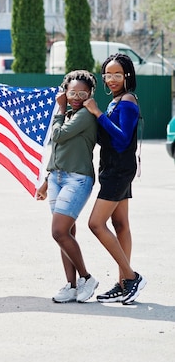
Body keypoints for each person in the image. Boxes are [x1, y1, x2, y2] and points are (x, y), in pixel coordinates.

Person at [83, 53, 146, 305]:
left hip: (119, 170)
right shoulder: (116, 101)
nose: (111, 79)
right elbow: (107, 137)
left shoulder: (128, 101)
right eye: (107, 74)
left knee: (96, 224)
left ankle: (131, 277)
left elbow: (121, 140)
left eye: (117, 74)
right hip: (113, 168)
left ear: (127, 75)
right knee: (120, 225)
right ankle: (123, 284)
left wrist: (98, 113)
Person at [36, 70, 99, 303]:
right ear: (65, 91)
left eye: (82, 93)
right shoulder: (71, 113)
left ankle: (86, 278)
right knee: (67, 233)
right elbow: (57, 151)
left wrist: (60, 110)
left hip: (78, 179)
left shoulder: (85, 115)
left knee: (59, 231)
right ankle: (71, 286)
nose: (76, 97)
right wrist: (45, 182)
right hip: (57, 178)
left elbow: (58, 136)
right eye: (72, 92)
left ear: (90, 94)